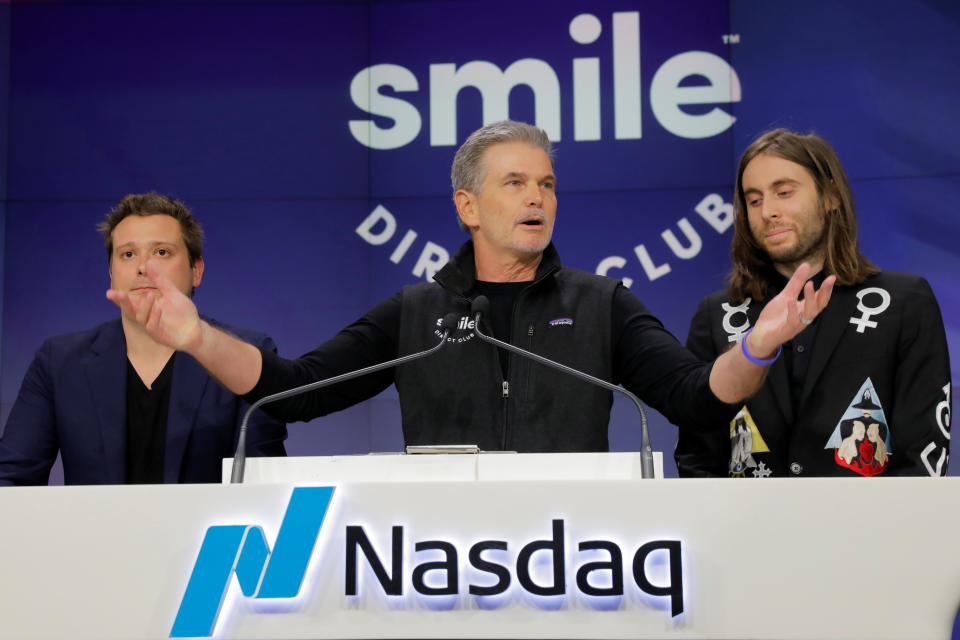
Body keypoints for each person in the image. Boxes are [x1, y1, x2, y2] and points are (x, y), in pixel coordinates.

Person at [107, 122, 833, 453]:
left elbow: (697, 399)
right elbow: (295, 388)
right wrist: (196, 337)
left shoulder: (602, 302)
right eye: (514, 182)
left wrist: (758, 347)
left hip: (578, 561)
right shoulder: (417, 309)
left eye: (546, 183)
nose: (536, 198)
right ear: (466, 205)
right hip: (443, 564)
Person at [675, 128, 951, 477]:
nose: (768, 211)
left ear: (831, 196)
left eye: (784, 192)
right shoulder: (718, 315)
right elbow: (697, 460)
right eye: (754, 200)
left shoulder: (905, 301)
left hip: (870, 528)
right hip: (749, 529)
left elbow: (923, 456)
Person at [0, 193, 287, 485]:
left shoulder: (245, 356)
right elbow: (11, 480)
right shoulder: (59, 362)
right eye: (128, 254)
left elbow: (263, 488)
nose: (143, 267)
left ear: (196, 270)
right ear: (111, 273)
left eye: (161, 252)